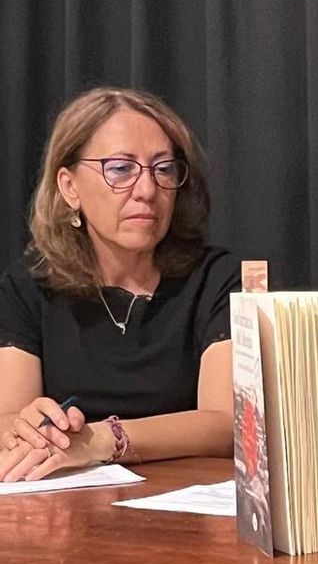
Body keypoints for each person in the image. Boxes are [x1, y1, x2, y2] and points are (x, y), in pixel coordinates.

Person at [0, 87, 239, 482]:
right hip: (66, 512)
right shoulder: (29, 286)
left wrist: (103, 439)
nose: (147, 191)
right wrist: (26, 427)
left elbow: (226, 424)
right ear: (69, 186)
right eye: (121, 169)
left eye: (163, 169)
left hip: (190, 512)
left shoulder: (217, 278)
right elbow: (8, 416)